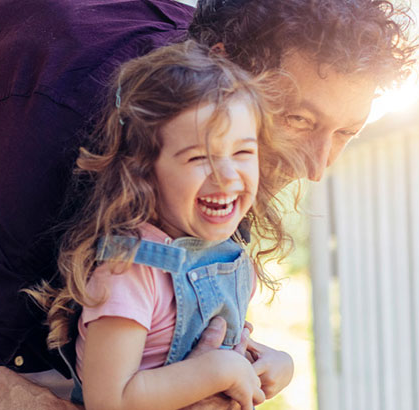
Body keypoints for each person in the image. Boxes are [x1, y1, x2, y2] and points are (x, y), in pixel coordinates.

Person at [0, 0, 418, 408]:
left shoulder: (216, 136)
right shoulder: (56, 116)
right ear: (222, 69)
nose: (314, 164)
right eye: (297, 119)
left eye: (344, 133)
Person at [23, 40, 301, 410]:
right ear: (144, 172)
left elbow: (225, 347)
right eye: (200, 156)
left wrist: (273, 364)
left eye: (243, 152)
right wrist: (218, 371)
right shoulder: (132, 272)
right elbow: (109, 400)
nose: (228, 175)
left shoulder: (227, 256)